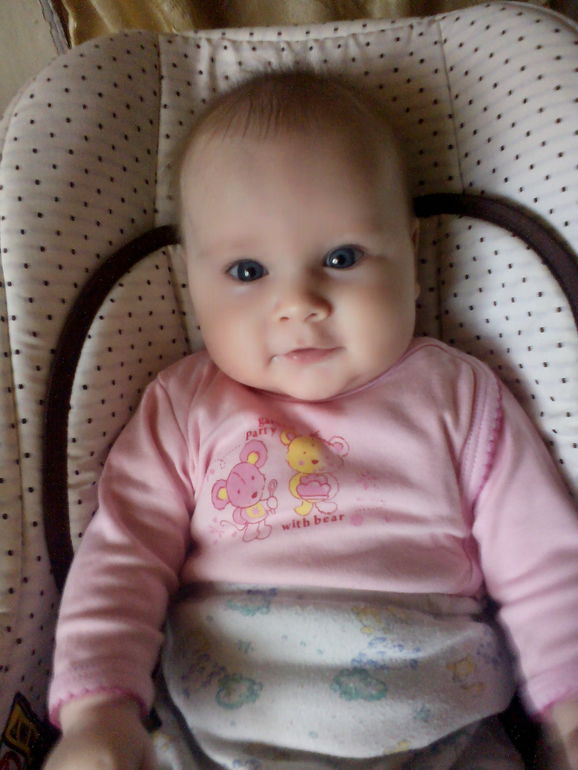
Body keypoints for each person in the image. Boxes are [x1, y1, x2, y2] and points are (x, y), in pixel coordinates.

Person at [44, 71, 578, 770]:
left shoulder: (460, 395)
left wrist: (570, 710)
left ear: (410, 251)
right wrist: (98, 712)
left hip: (442, 733)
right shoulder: (185, 405)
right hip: (216, 734)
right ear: (190, 280)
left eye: (341, 258)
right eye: (246, 271)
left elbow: (545, 564)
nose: (298, 302)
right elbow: (122, 558)